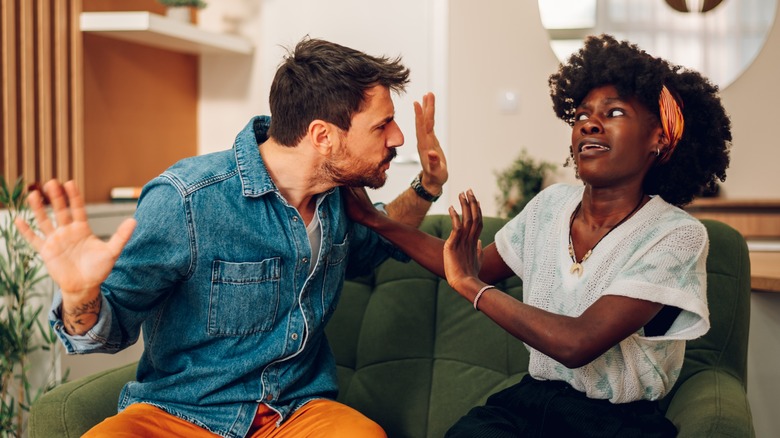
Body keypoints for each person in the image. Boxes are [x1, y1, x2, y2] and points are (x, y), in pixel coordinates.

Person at [15, 37, 448, 438]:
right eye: (382, 125)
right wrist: (79, 294)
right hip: (180, 413)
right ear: (323, 136)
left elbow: (381, 239)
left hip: (295, 413)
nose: (398, 137)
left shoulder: (336, 198)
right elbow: (104, 332)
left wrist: (428, 185)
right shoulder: (187, 201)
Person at [343, 34, 731, 437]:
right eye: (581, 116)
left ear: (659, 138)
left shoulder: (676, 235)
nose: (589, 124)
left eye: (614, 112)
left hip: (617, 422)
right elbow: (472, 266)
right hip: (532, 402)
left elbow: (578, 343)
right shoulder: (551, 205)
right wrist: (375, 220)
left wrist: (472, 287)